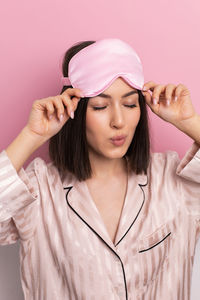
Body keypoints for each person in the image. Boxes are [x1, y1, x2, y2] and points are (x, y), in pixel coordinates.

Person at [0, 38, 200, 300]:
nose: (119, 121)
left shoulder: (174, 180)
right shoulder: (40, 190)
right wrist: (31, 135)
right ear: (77, 110)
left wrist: (190, 122)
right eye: (100, 106)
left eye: (130, 104)